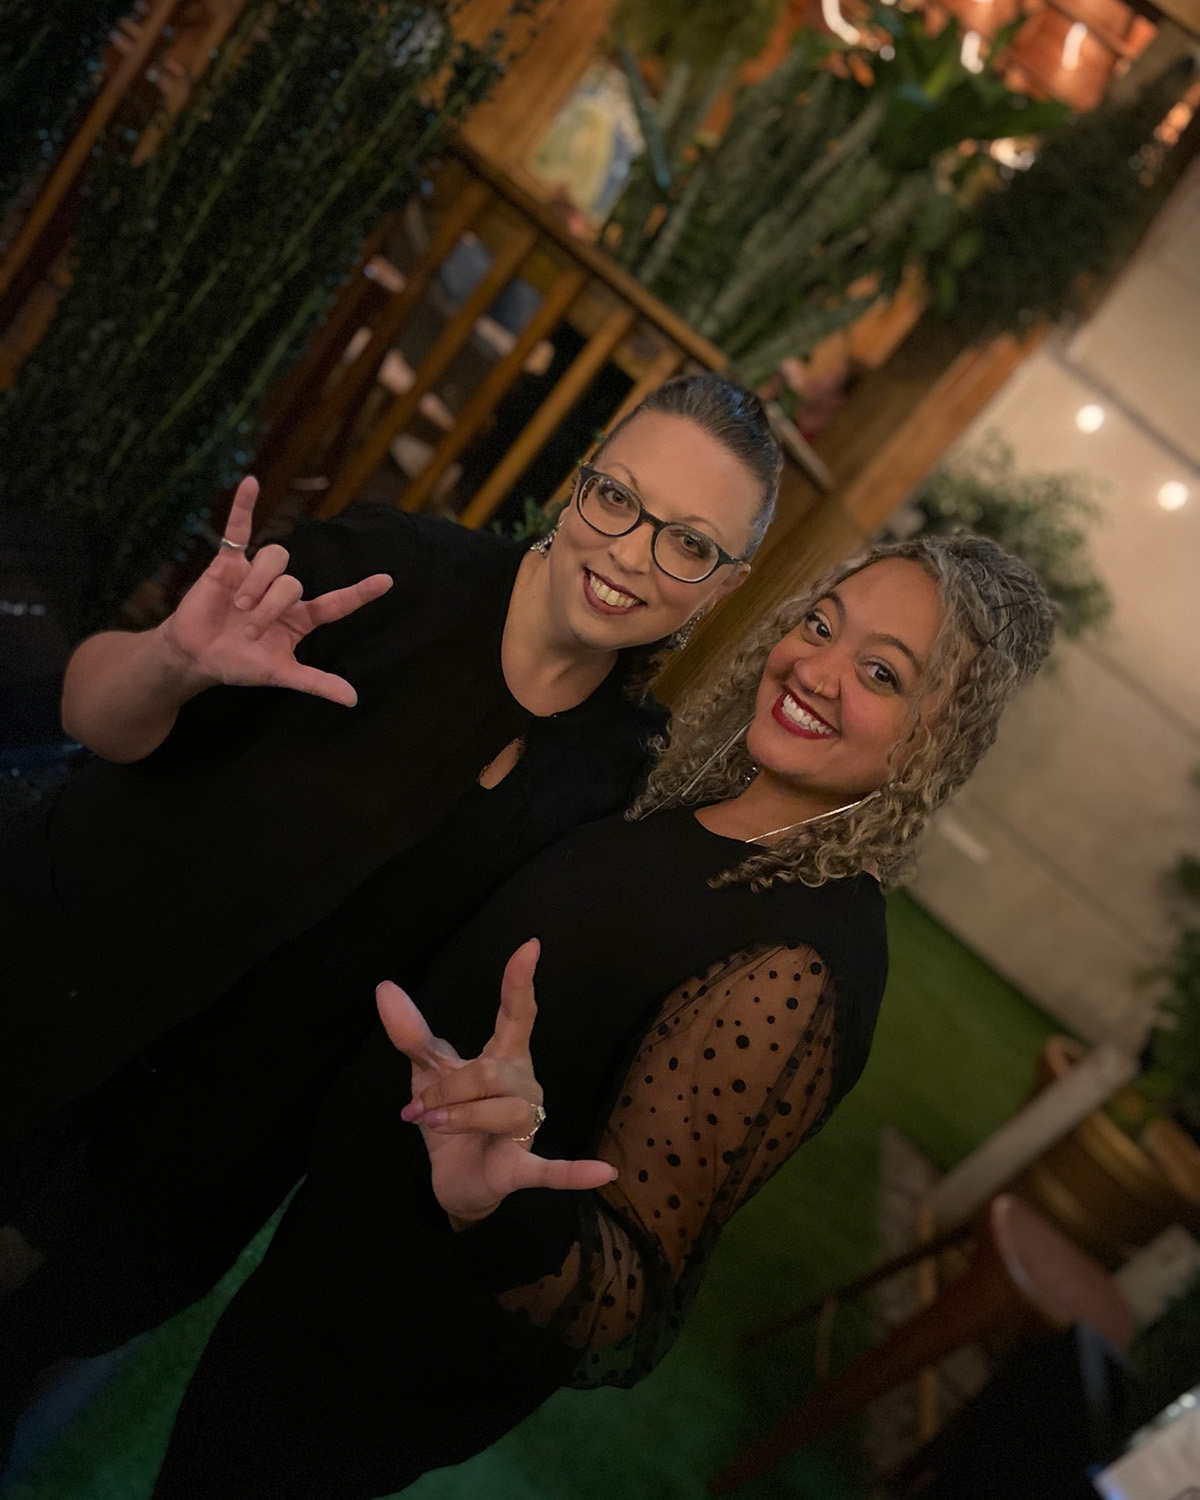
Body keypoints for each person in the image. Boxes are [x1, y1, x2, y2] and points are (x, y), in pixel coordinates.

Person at [148, 533, 1056, 1500]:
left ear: (934, 737)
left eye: (880, 672)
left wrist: (501, 1199)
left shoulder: (801, 967)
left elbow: (622, 1295)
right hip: (334, 1255)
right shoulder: (710, 803)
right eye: (820, 625)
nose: (820, 670)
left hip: (389, 1345)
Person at [0, 375, 779, 1443]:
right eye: (618, 499)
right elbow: (94, 712)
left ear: (723, 585)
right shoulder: (381, 575)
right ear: (578, 483)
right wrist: (172, 663)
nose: (631, 553)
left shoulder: (616, 786)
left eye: (687, 543)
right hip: (38, 1005)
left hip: (180, 1182)